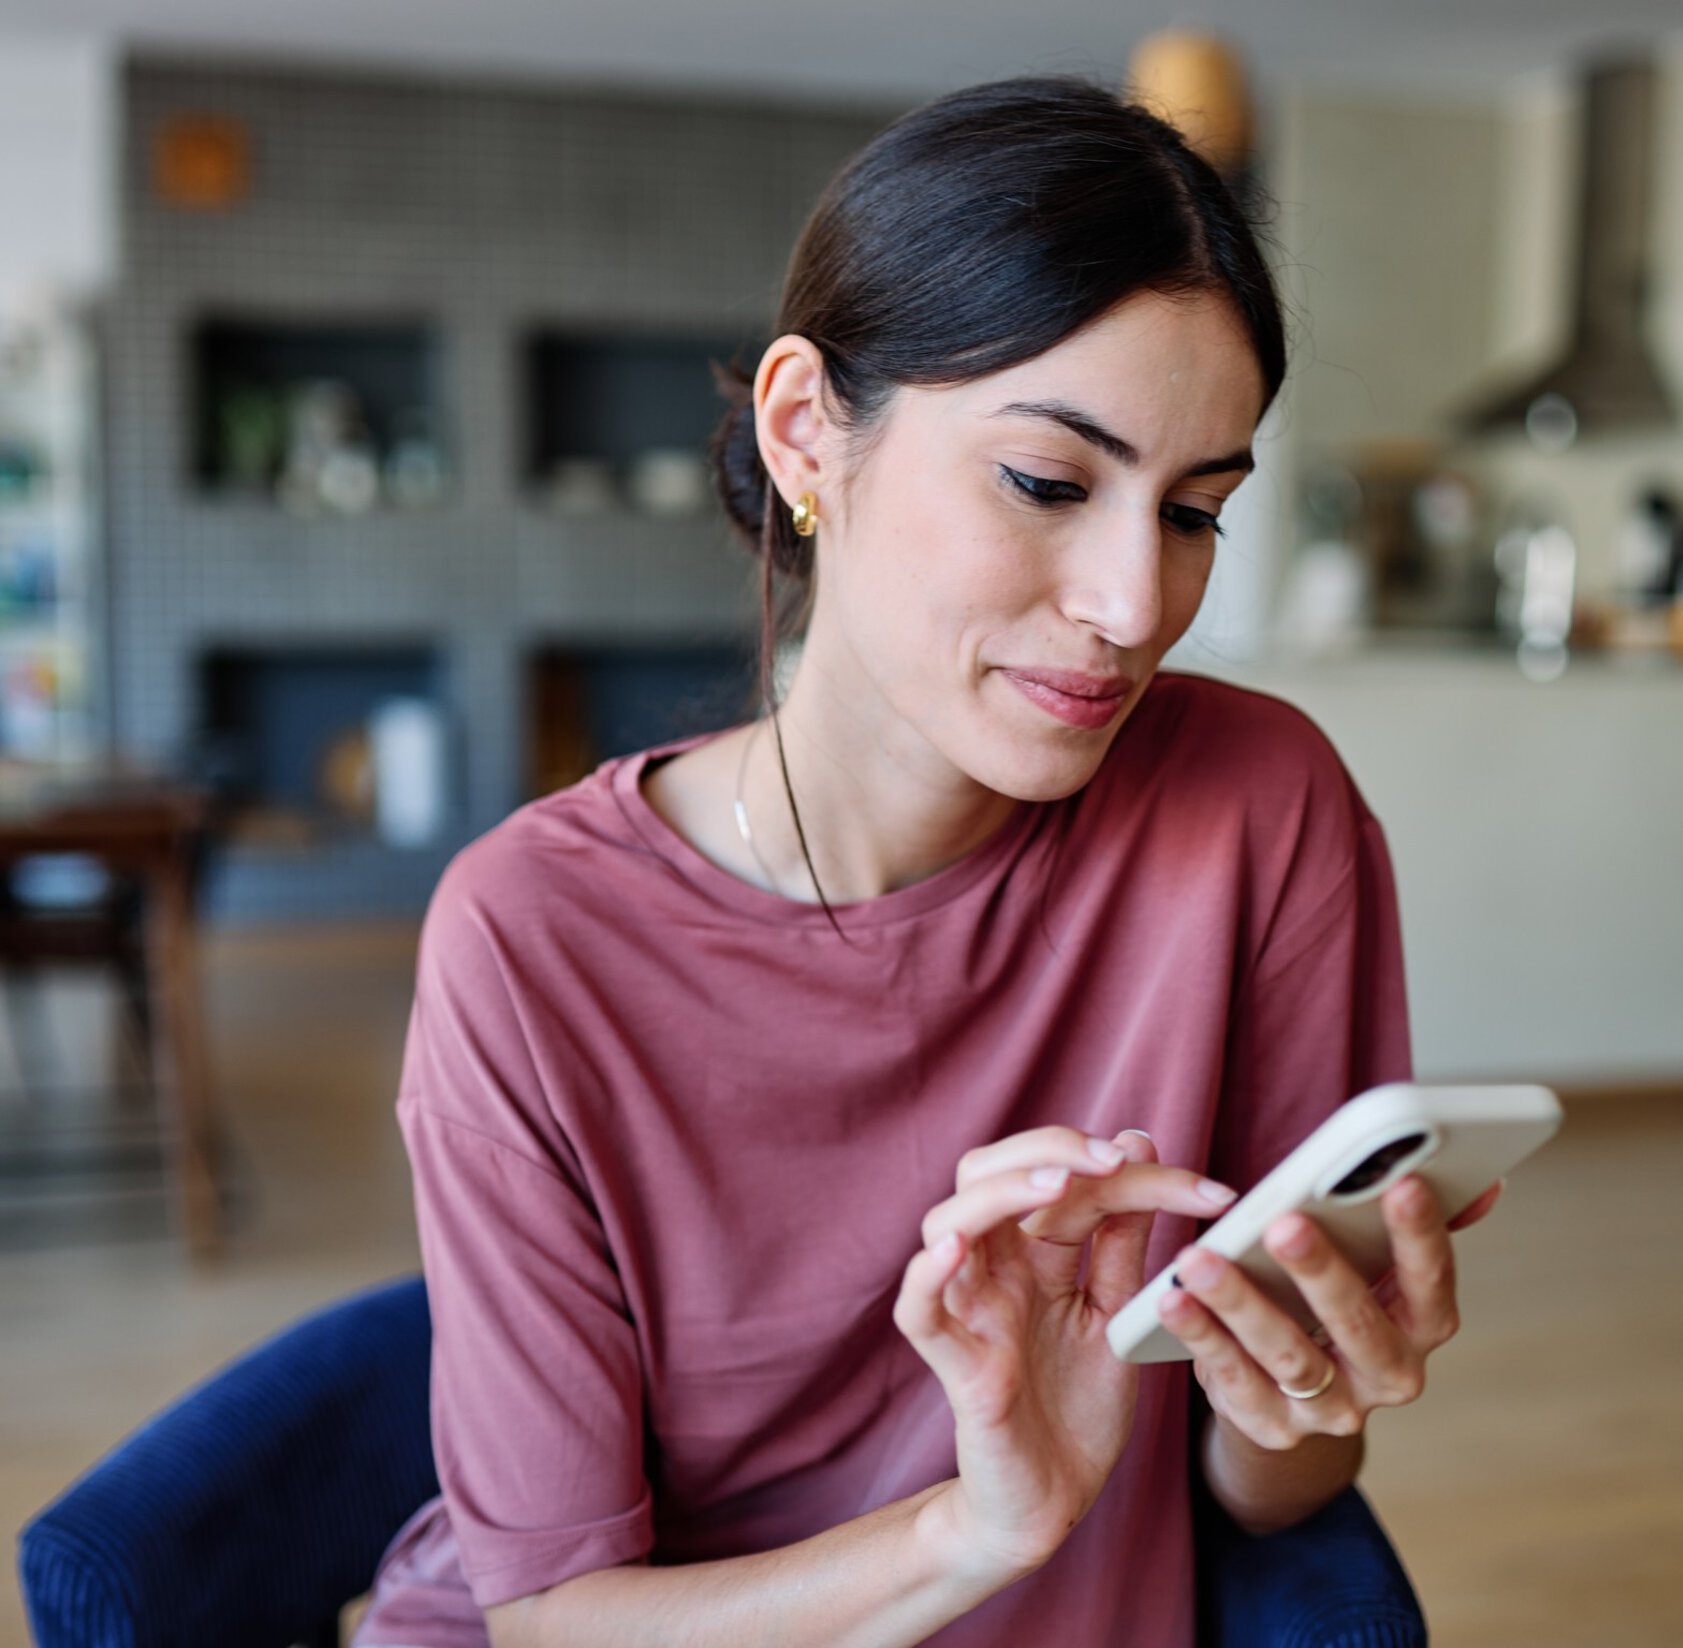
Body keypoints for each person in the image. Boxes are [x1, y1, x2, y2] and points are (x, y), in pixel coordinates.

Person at [352, 73, 1503, 1648]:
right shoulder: (531, 932)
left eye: (1194, 514)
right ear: (806, 430)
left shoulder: (1257, 809)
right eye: (1048, 482)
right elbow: (557, 1620)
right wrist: (979, 1529)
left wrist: (1313, 1380)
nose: (1128, 603)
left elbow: (1271, 1493)